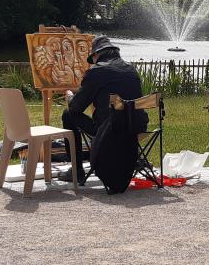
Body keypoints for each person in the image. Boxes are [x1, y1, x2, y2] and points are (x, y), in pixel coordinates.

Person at [58, 35, 147, 182]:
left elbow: (76, 107)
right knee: (114, 117)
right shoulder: (131, 69)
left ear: (96, 55)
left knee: (68, 114)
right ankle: (133, 158)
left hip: (110, 129)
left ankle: (77, 170)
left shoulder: (97, 72)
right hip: (137, 127)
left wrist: (69, 96)